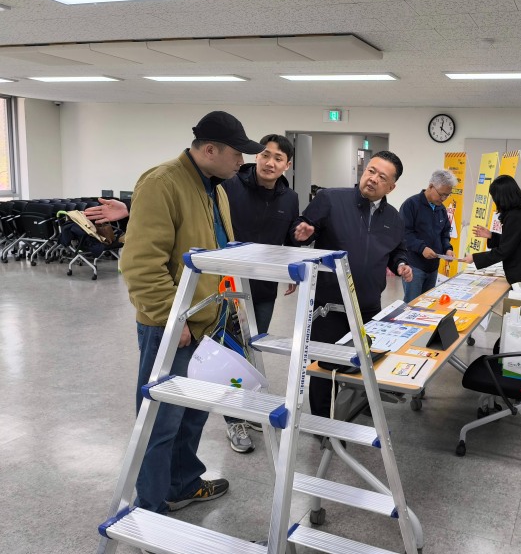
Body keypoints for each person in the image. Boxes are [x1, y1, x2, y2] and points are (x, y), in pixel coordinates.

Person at [118, 110, 264, 514]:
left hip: (207, 322)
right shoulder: (162, 183)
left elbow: (216, 253)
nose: (242, 162)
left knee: (192, 415)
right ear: (210, 150)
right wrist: (173, 320)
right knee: (160, 422)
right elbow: (140, 265)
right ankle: (150, 509)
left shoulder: (215, 189)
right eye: (237, 153)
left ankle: (182, 485)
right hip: (172, 327)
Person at [292, 151, 413, 417]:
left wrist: (401, 264)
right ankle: (322, 422)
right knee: (324, 367)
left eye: (382, 177)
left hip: (367, 306)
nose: (373, 179)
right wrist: (302, 233)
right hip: (328, 304)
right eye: (371, 171)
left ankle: (355, 409)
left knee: (362, 362)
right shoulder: (331, 199)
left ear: (391, 187)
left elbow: (397, 250)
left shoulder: (394, 218)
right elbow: (302, 228)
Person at [218, 133, 299, 454]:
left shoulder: (289, 198)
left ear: (287, 165)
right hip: (229, 286)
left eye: (278, 158)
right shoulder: (229, 186)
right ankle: (232, 419)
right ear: (257, 156)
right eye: (265, 155)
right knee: (233, 353)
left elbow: (289, 238)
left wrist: (290, 269)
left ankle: (246, 407)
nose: (270, 162)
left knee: (253, 350)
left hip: (264, 287)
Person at [464, 174, 521, 284]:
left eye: (494, 197)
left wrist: (474, 258)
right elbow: (515, 240)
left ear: (502, 197)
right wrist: (491, 235)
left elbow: (505, 250)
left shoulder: (515, 215)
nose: (494, 201)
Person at [398, 169, 457, 302]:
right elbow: (404, 233)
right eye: (441, 194)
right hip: (414, 266)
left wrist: (448, 248)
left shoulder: (441, 209)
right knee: (412, 304)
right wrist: (422, 248)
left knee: (427, 304)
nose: (443, 199)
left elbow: (444, 233)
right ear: (431, 186)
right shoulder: (411, 205)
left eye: (447, 195)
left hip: (433, 267)